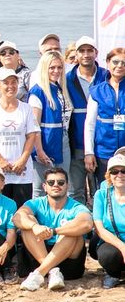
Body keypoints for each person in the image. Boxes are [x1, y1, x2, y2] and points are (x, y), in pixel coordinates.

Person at [14, 167, 93, 291]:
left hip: (68, 263)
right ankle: (52, 271)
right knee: (28, 223)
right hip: (39, 254)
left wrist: (55, 231)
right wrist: (35, 227)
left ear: (67, 185)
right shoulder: (36, 203)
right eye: (51, 183)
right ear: (45, 186)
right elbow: (17, 218)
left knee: (71, 230)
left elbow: (87, 224)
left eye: (61, 182)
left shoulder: (76, 206)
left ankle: (39, 273)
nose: (56, 185)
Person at [0, 69, 40, 208]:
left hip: (21, 170)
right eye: (6, 83)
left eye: (14, 82)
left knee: (22, 210)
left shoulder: (26, 108)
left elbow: (31, 136)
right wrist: (1, 161)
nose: (10, 86)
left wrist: (22, 160)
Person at [66, 36, 106, 204]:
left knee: (102, 189)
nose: (86, 54)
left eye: (90, 50)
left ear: (96, 53)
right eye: (82, 51)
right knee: (75, 191)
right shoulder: (67, 79)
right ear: (76, 54)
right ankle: (80, 228)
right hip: (76, 142)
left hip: (103, 142)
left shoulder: (106, 75)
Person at [28, 51, 72, 198]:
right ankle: (38, 218)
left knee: (61, 183)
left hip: (62, 140)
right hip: (45, 143)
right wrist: (39, 151)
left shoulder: (58, 88)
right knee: (41, 187)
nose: (56, 71)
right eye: (52, 68)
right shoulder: (38, 91)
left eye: (59, 68)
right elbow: (34, 125)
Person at [85, 47, 125, 189]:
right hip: (104, 151)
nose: (119, 66)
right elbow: (89, 124)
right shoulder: (97, 91)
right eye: (115, 62)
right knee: (105, 189)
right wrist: (89, 153)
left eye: (123, 63)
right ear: (108, 63)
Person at [91, 154, 125, 288]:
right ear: (109, 175)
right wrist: (122, 247)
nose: (119, 175)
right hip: (111, 241)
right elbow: (99, 228)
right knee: (108, 255)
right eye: (114, 171)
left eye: (124, 171)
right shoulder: (101, 195)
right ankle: (112, 273)